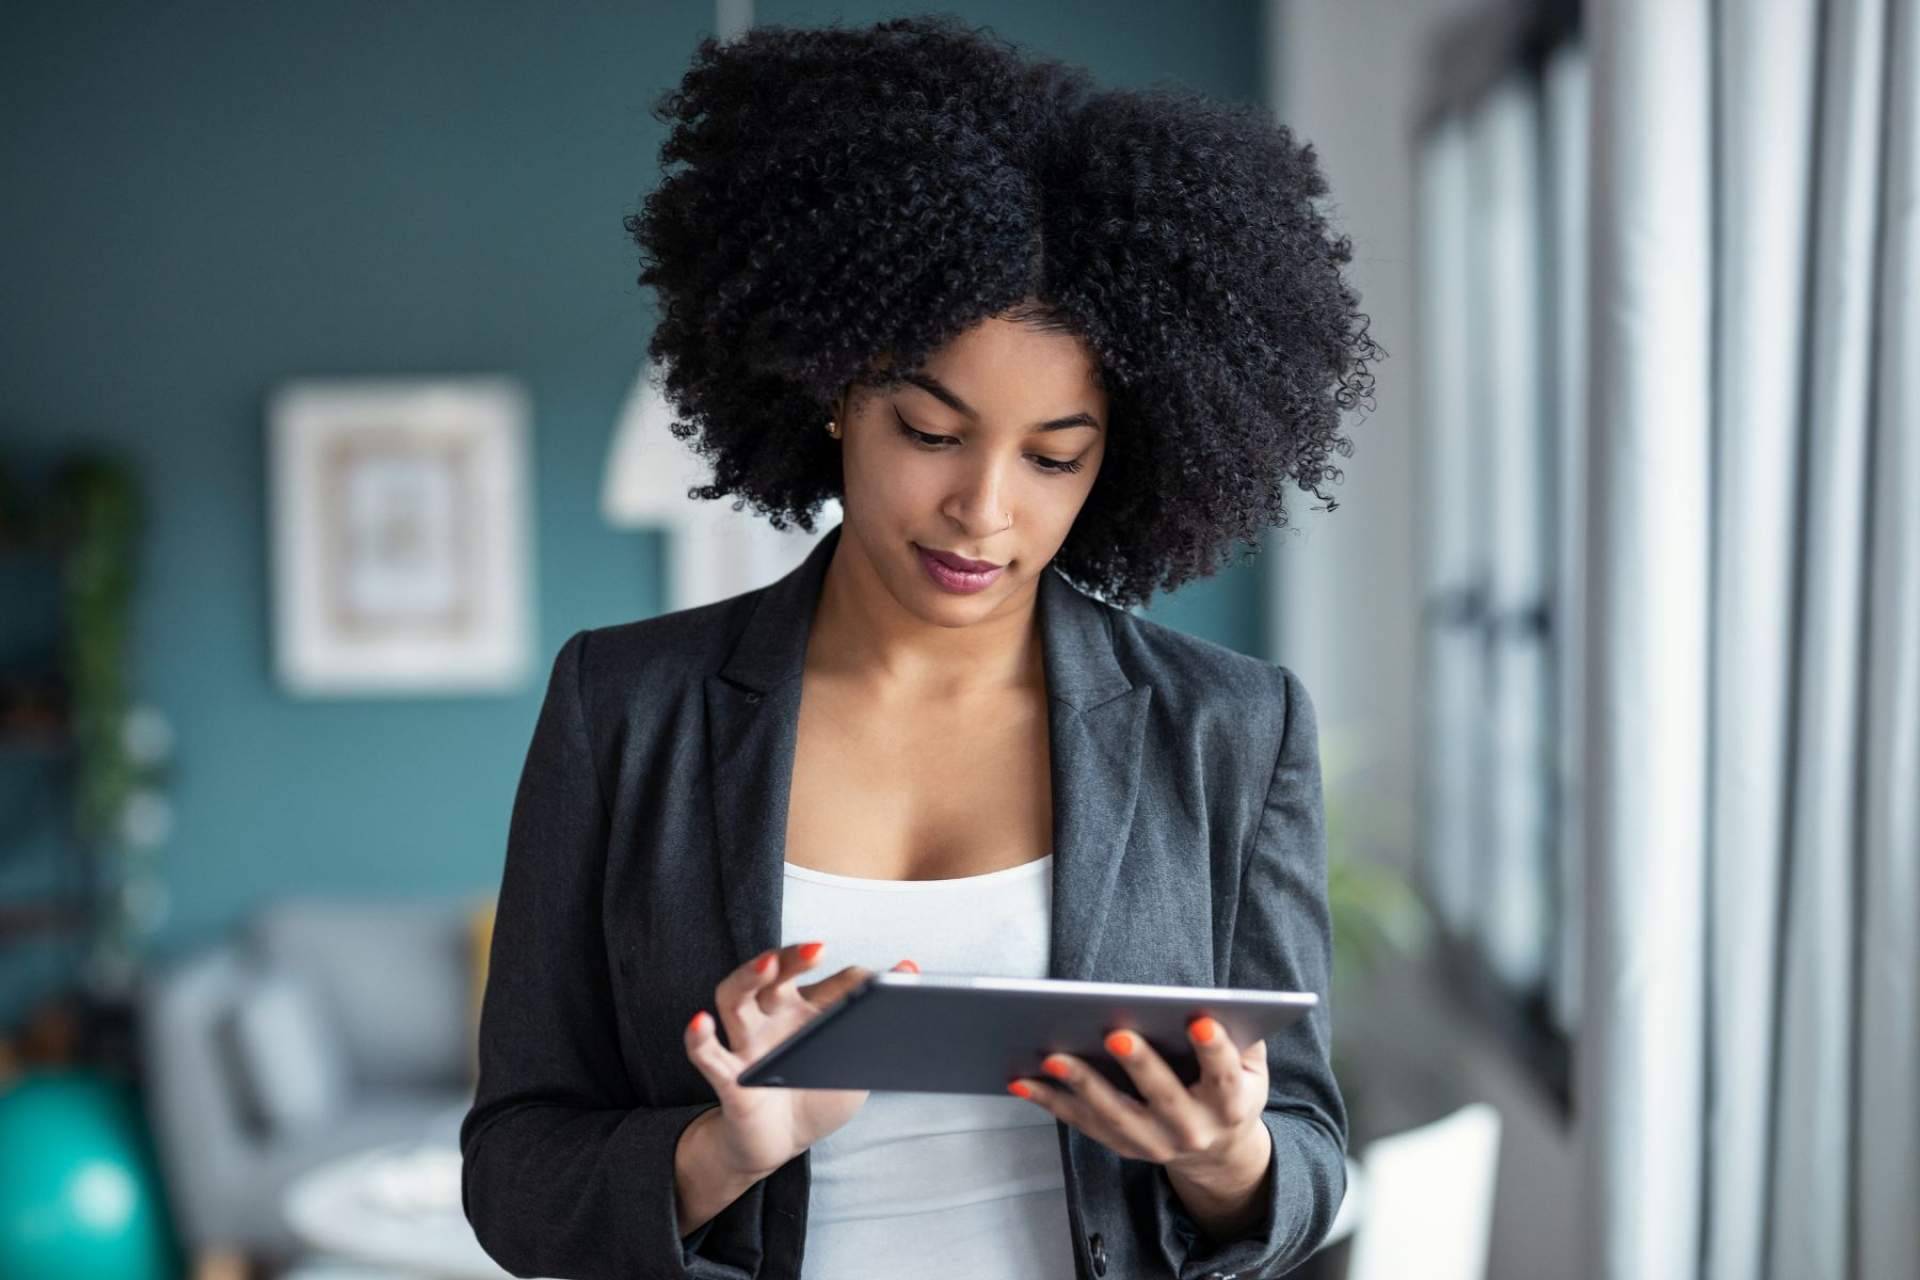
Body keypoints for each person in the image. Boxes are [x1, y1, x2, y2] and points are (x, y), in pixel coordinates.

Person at [460, 14, 1379, 1280]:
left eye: (1055, 455)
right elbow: (513, 1169)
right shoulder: (622, 706)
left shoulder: (1229, 728)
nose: (984, 509)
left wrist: (1224, 1157)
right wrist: (727, 1149)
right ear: (836, 388)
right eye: (930, 430)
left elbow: (1312, 1149)